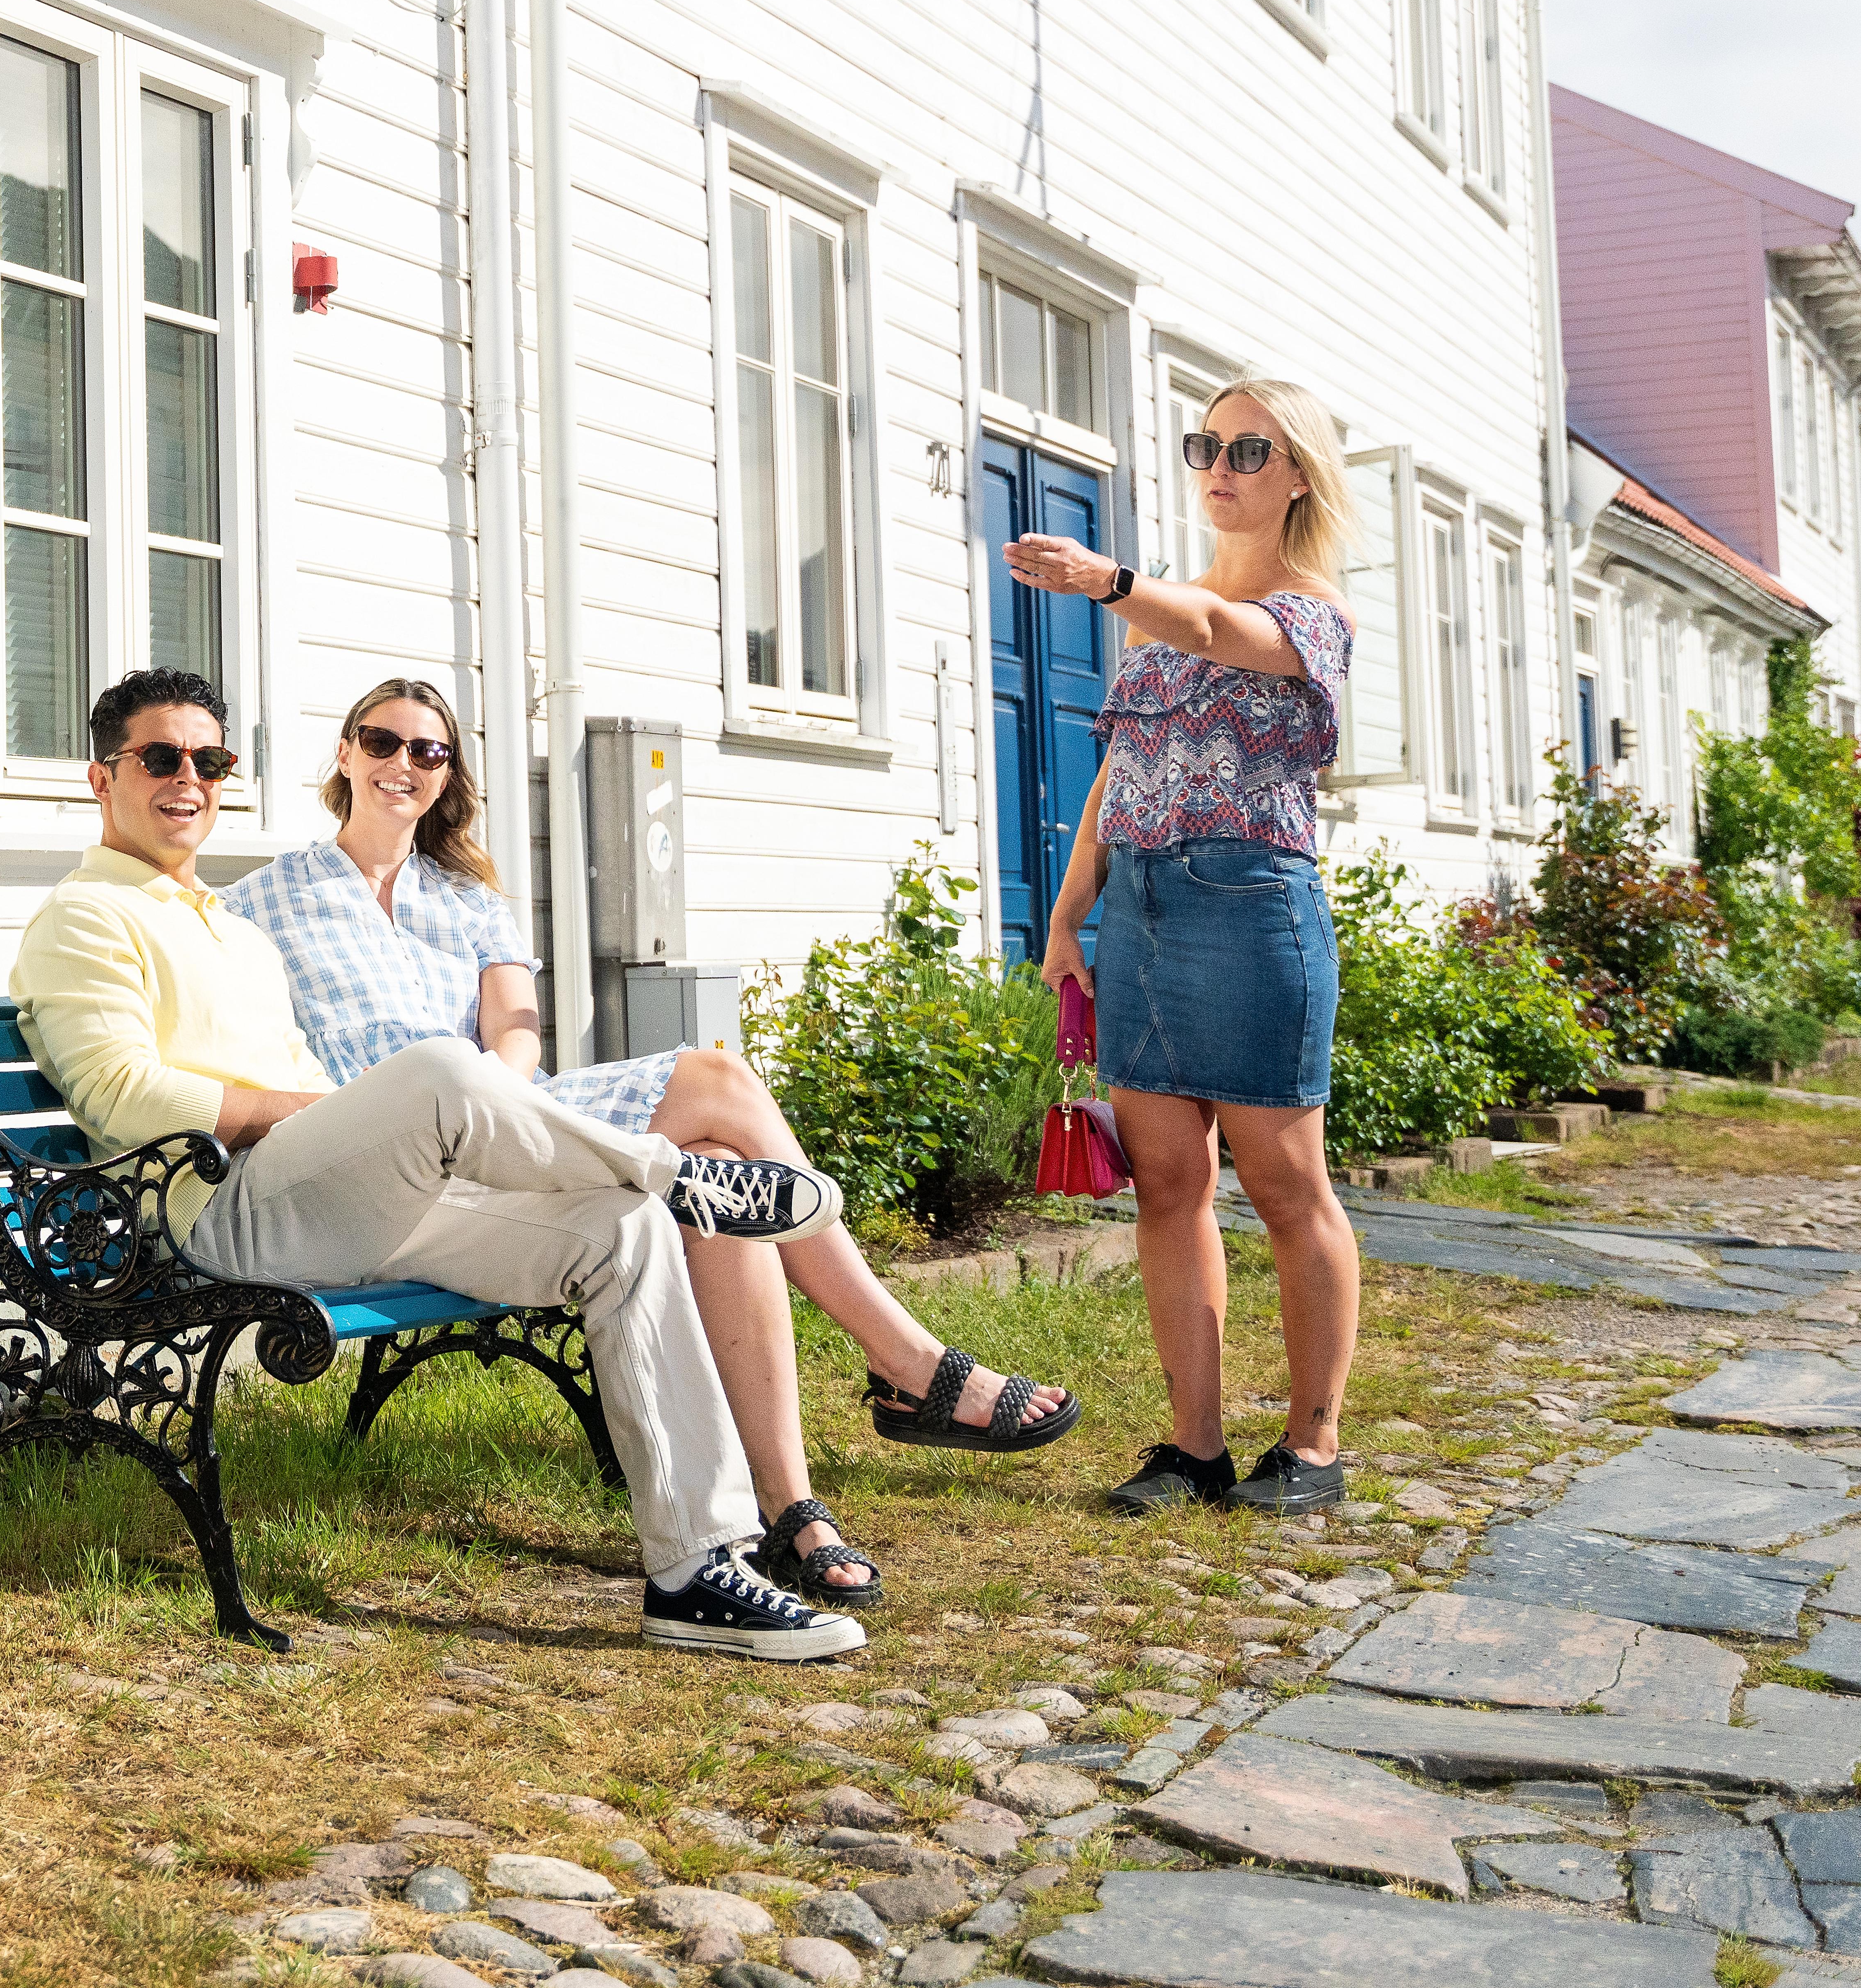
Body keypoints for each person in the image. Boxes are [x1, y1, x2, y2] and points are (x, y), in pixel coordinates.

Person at [9, 665, 868, 1661]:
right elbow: (120, 1096)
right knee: (437, 1068)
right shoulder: (85, 916)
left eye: (209, 760)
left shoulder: (224, 921)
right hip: (218, 1215)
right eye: (159, 758)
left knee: (621, 1232)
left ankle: (695, 1568)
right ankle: (676, 1172)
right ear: (98, 778)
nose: (187, 779)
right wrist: (329, 1116)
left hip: (335, 1201)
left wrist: (352, 1128)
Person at [226, 677, 1081, 1607]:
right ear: (345, 753)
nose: (401, 764)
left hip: (516, 1122)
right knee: (716, 1089)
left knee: (717, 1178)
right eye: (382, 743)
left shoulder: (467, 899)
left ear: (446, 775)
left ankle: (790, 1506)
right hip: (388, 1155)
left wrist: (503, 1098)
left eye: (426, 752)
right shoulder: (266, 900)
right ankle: (905, 1367)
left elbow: (517, 1033)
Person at [1005, 375, 1361, 1519]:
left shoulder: (1308, 615)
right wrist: (1068, 916)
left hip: (1252, 910)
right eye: (1204, 444)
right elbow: (1115, 777)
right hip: (1144, 914)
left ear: (1297, 473)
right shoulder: (1160, 619)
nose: (1219, 464)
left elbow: (1214, 630)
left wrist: (1105, 579)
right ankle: (1192, 1446)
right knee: (1166, 1182)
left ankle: (1312, 1445)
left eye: (1248, 449)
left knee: (1283, 1179)